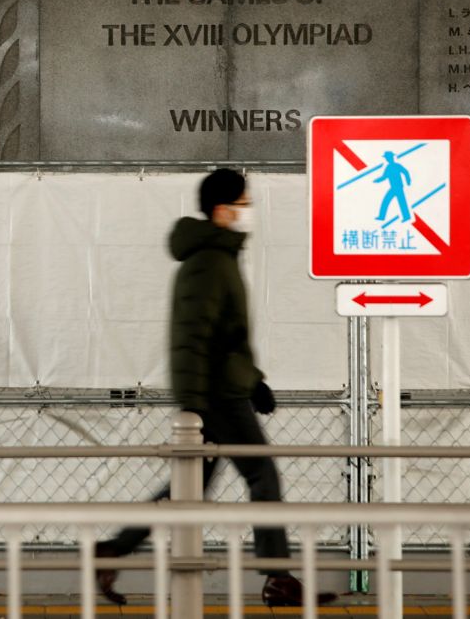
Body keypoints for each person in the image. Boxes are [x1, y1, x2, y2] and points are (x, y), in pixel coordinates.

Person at [94, 168, 337, 608]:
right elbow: (194, 336)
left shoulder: (216, 257)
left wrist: (255, 381)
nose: (249, 212)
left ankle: (114, 548)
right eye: (244, 204)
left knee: (189, 485)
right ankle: (278, 578)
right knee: (262, 475)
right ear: (223, 209)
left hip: (218, 392)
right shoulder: (210, 262)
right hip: (218, 397)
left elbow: (226, 338)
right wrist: (197, 405)